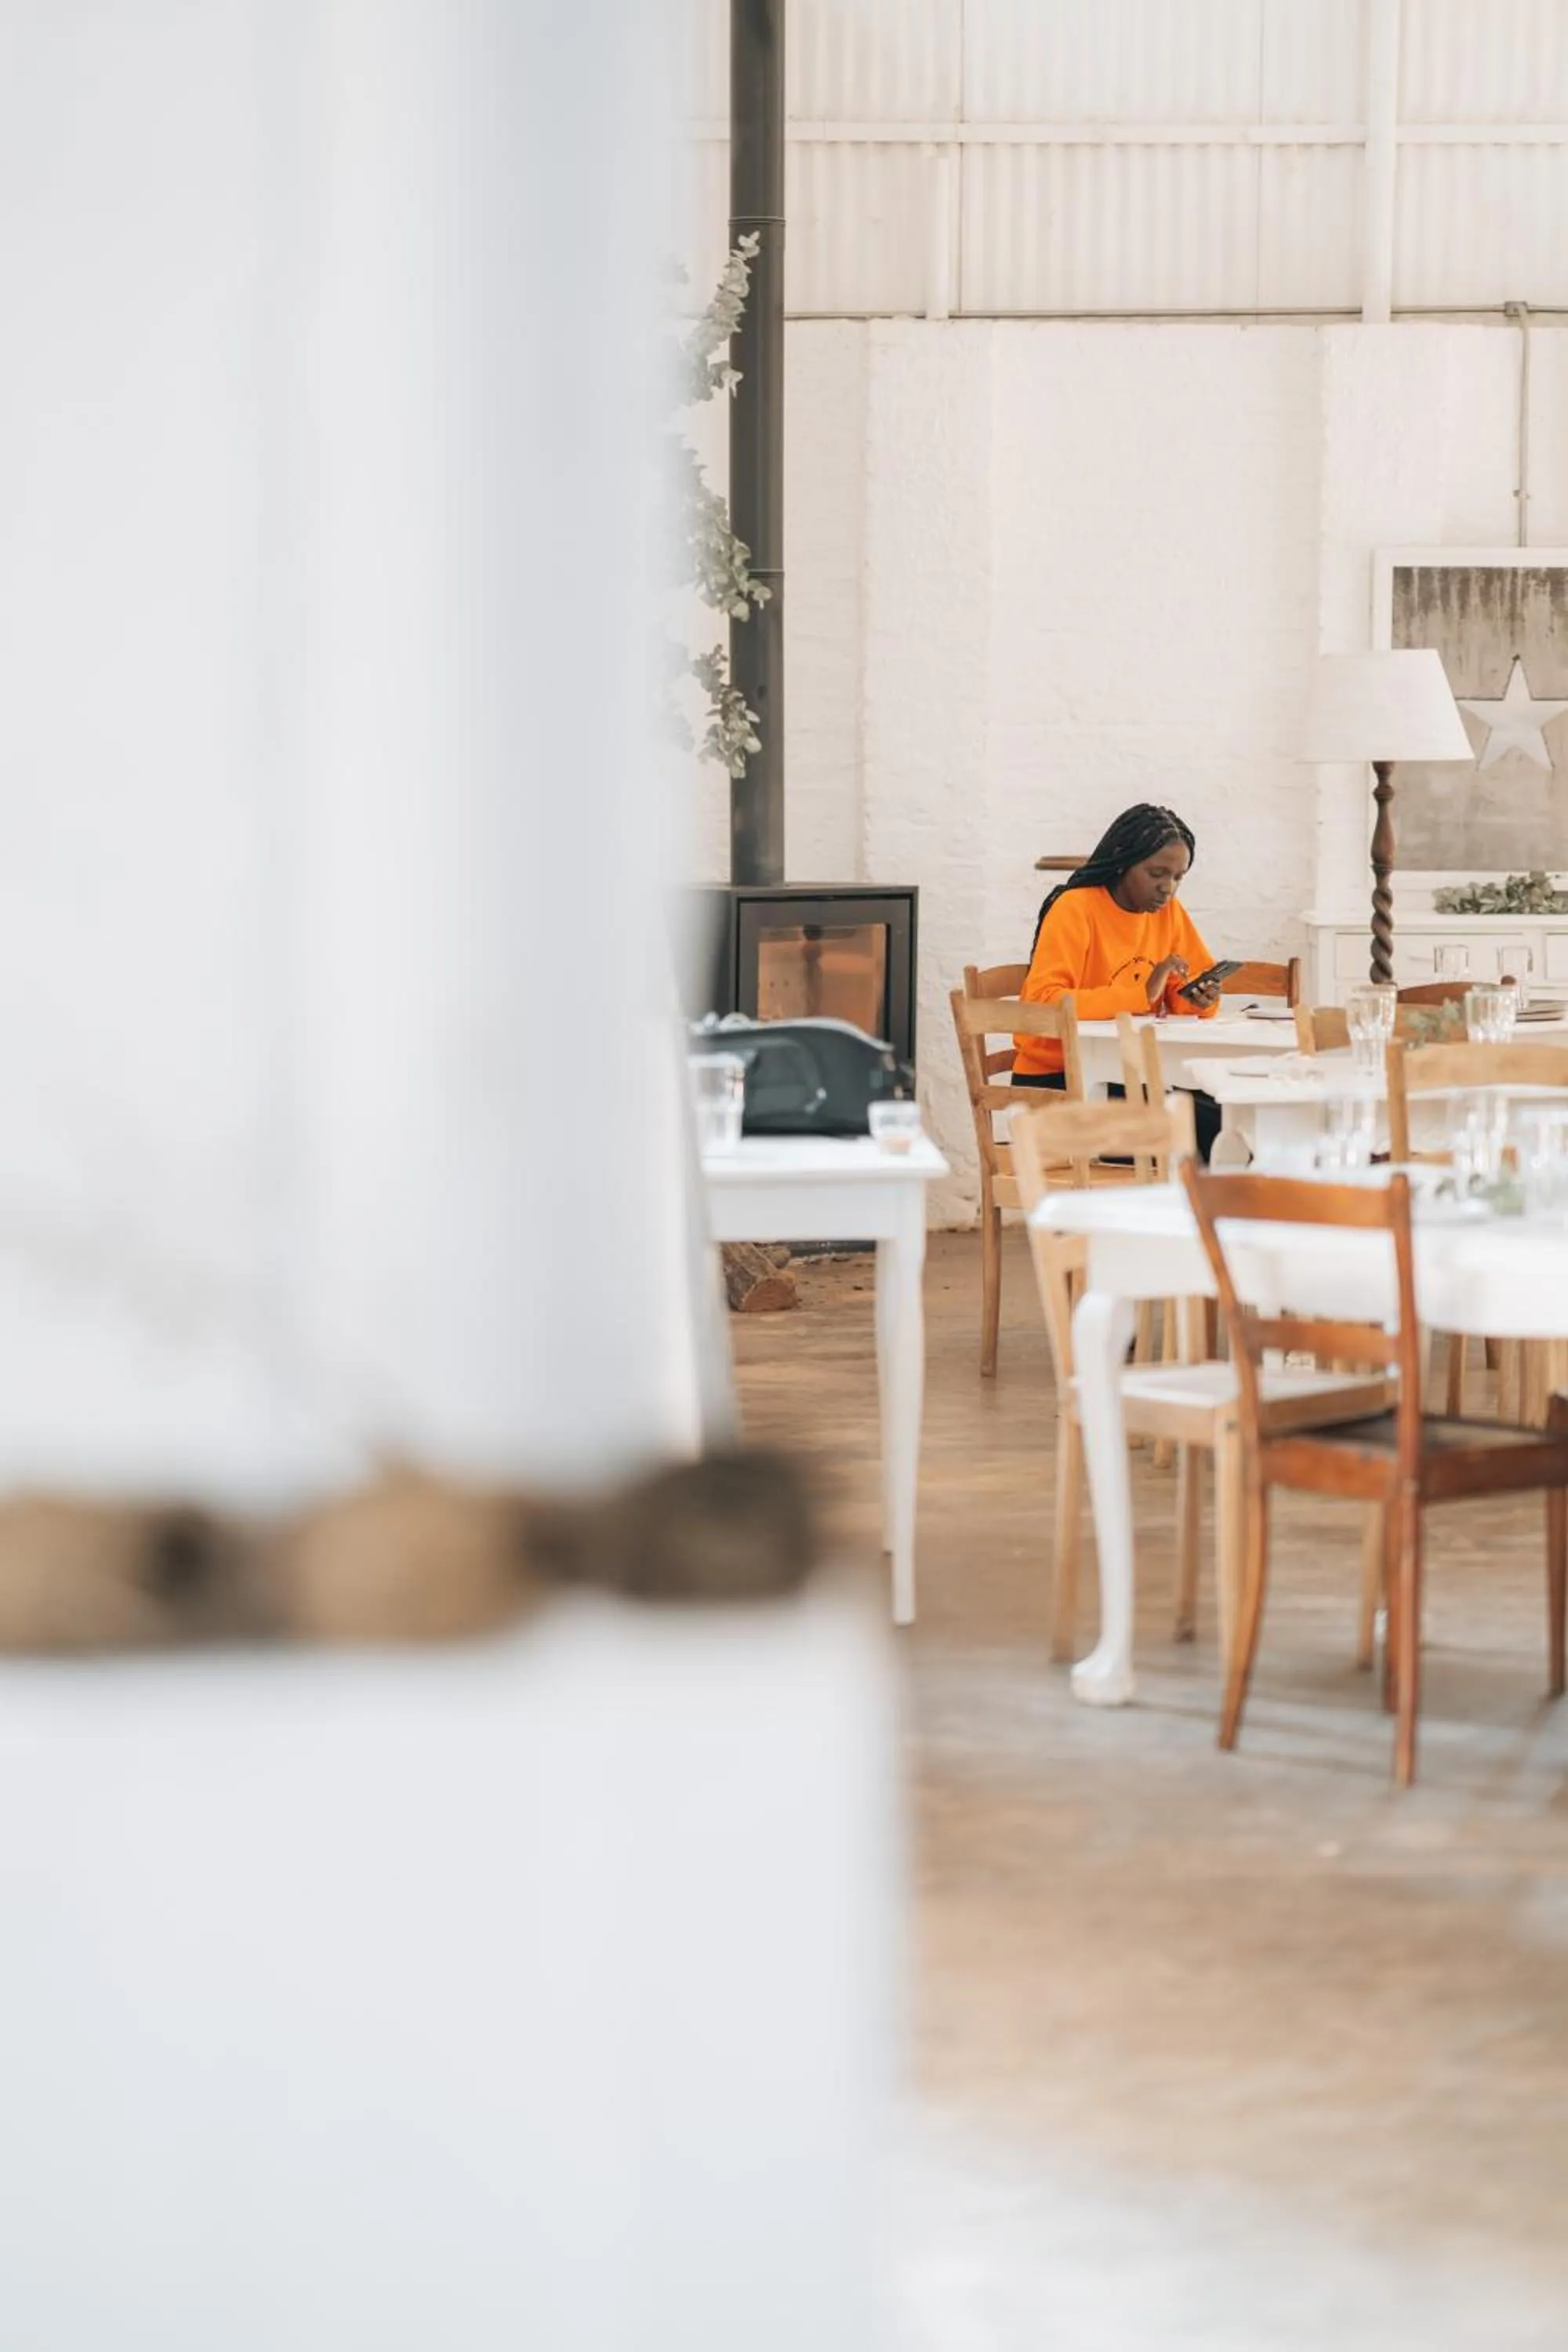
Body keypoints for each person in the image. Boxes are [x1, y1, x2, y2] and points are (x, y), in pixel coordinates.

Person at [1011, 803, 1224, 1160]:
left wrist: (1199, 998)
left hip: (1128, 1079)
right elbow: (1045, 1002)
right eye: (1156, 873)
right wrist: (1141, 994)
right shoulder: (1075, 908)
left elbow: (1185, 989)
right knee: (1205, 1127)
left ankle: (1215, 1213)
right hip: (1060, 1083)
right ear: (1124, 863)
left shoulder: (1169, 913)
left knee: (1227, 1115)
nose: (1167, 888)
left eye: (1178, 877)